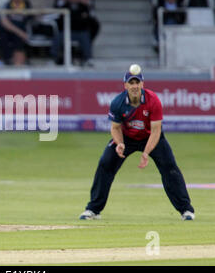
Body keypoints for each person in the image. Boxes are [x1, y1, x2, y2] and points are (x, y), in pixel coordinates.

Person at [79, 65, 195, 221]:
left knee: (170, 168)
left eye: (137, 82)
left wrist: (146, 153)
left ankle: (186, 210)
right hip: (127, 137)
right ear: (125, 85)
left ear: (142, 84)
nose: (134, 86)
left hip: (151, 137)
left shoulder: (153, 100)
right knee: (105, 163)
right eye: (131, 83)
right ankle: (93, 210)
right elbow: (115, 128)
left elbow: (156, 131)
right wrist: (119, 144)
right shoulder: (118, 103)